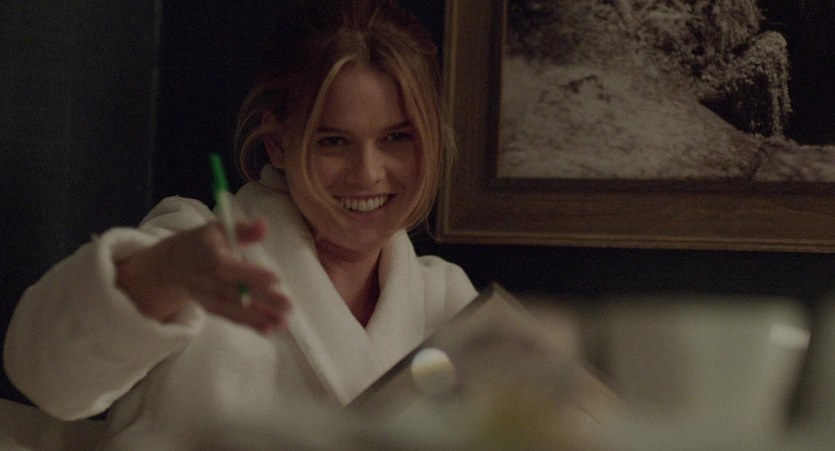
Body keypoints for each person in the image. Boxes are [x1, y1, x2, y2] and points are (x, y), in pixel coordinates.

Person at [3, 0, 477, 448]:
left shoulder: (448, 301)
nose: (369, 173)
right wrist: (159, 275)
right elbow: (46, 379)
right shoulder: (193, 251)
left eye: (396, 137)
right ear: (278, 144)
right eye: (333, 141)